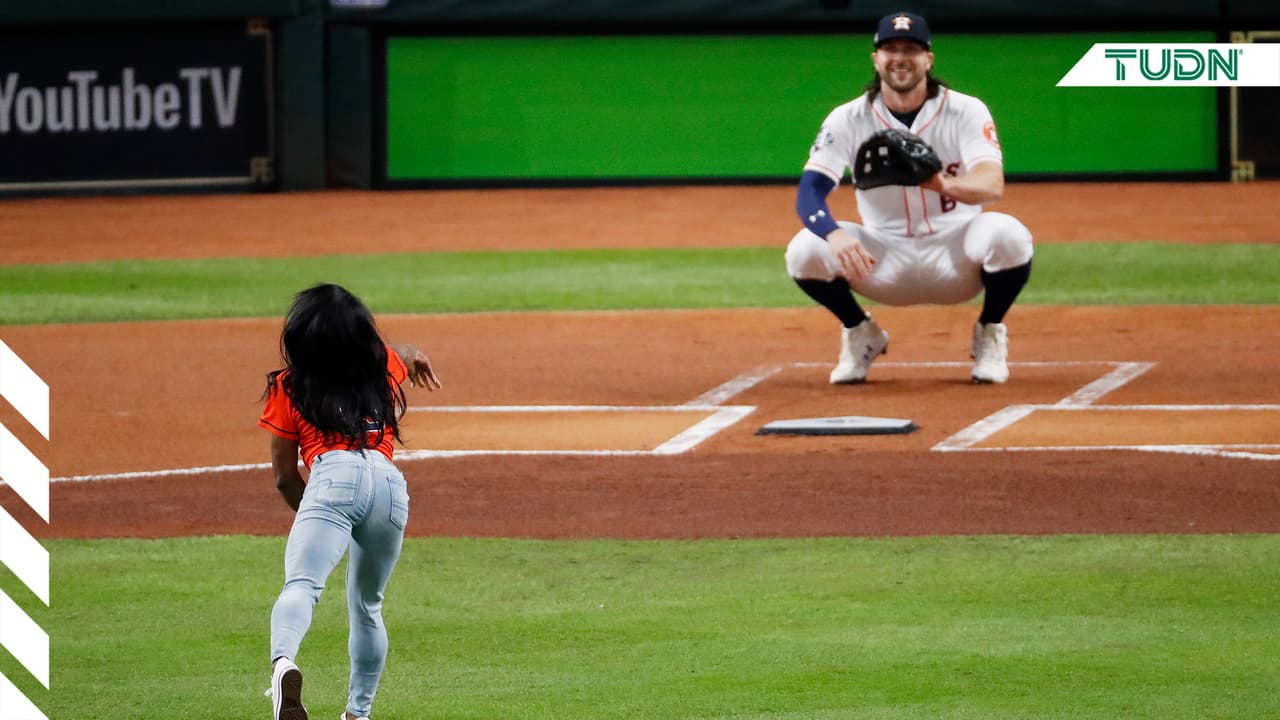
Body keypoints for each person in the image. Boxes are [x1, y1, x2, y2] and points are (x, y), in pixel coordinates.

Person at [784, 11, 1033, 384]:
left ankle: (989, 332)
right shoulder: (847, 118)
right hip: (882, 258)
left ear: (928, 59)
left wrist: (941, 185)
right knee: (804, 249)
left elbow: (992, 183)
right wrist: (834, 234)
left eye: (911, 50)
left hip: (957, 254)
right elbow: (810, 191)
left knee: (1009, 235)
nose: (900, 58)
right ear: (876, 59)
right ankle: (860, 332)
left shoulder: (965, 110)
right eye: (891, 49)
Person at [259, 283, 441, 720]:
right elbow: (396, 351)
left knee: (302, 585)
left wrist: (321, 517)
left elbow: (286, 478)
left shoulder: (289, 384)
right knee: (367, 605)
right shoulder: (380, 370)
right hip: (390, 487)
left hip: (332, 477)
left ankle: (284, 664)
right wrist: (412, 349)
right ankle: (357, 714)